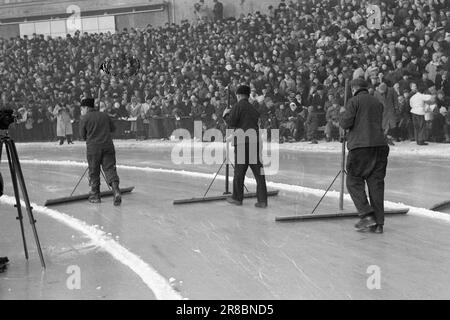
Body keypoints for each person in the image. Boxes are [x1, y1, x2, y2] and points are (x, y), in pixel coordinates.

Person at [339, 79, 389, 234]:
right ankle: (379, 223)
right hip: (380, 146)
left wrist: (342, 114)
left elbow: (346, 123)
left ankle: (366, 214)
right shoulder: (377, 102)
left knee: (353, 181)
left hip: (360, 147)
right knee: (376, 185)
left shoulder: (353, 101)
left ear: (354, 88)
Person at [223, 85, 268, 208]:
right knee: (259, 173)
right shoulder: (253, 108)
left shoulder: (238, 106)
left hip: (243, 143)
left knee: (239, 172)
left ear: (238, 95)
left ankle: (237, 198)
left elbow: (231, 122)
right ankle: (262, 200)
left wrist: (226, 115)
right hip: (255, 142)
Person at [79, 98, 121, 206]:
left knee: (94, 171)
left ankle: (95, 195)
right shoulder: (104, 115)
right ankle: (116, 190)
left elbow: (82, 136)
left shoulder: (85, 118)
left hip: (93, 148)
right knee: (110, 169)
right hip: (108, 145)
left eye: (82, 109)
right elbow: (113, 128)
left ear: (86, 107)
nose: (81, 111)